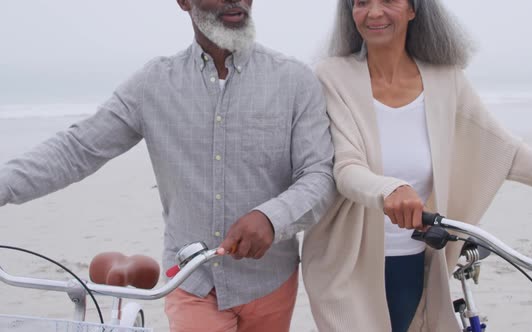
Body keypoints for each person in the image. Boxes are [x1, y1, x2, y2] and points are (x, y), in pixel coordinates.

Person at [0, 0, 336, 331]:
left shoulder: (295, 81)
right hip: (192, 281)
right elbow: (77, 148)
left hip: (271, 281)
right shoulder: (153, 83)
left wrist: (271, 218)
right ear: (184, 2)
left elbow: (318, 175)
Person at [301, 0, 532, 331]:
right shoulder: (332, 76)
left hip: (416, 261)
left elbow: (509, 154)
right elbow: (346, 167)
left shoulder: (446, 79)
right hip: (346, 264)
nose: (374, 12)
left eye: (388, 1)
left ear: (413, 9)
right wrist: (390, 188)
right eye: (361, 2)